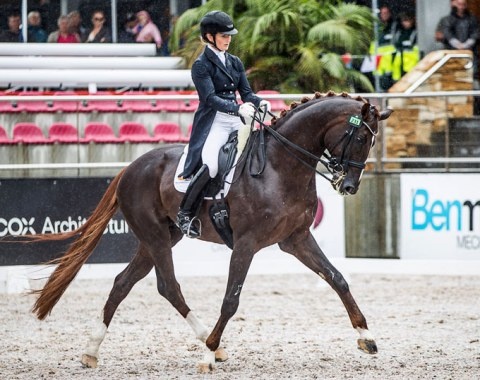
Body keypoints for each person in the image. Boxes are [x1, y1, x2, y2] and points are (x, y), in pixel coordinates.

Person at [176, 10, 271, 238]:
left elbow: (246, 93)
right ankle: (185, 214)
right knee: (212, 165)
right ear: (209, 37)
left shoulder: (234, 62)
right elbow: (209, 98)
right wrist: (237, 108)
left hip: (238, 118)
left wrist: (261, 101)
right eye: (223, 35)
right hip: (215, 121)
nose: (228, 39)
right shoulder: (201, 65)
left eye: (229, 36)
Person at [441, 0, 479, 78]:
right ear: (452, 4)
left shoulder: (473, 19)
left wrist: (467, 44)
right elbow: (446, 32)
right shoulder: (446, 19)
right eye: (459, 4)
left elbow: (476, 32)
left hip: (470, 54)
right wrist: (456, 43)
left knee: (471, 75)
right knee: (453, 76)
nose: (461, 7)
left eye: (463, 4)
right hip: (452, 54)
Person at [392, 13, 419, 82]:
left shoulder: (415, 33)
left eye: (407, 20)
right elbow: (396, 45)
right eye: (403, 21)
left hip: (411, 64)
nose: (405, 23)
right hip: (399, 64)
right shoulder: (399, 33)